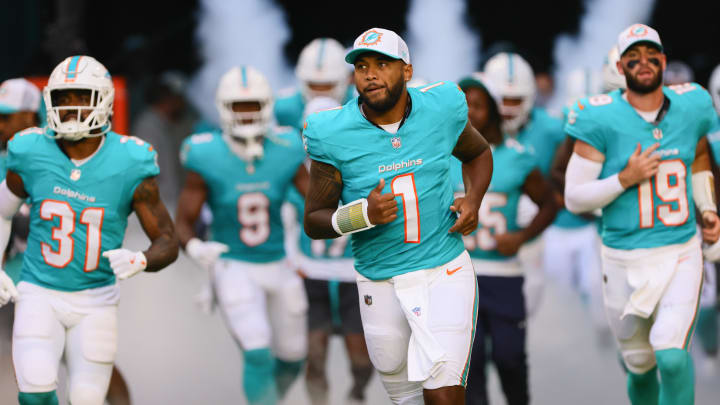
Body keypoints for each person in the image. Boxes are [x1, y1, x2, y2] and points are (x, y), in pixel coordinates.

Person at [302, 27, 493, 405]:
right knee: (406, 397)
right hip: (379, 276)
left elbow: (478, 152)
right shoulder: (331, 131)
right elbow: (314, 220)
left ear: (406, 71)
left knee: (443, 394)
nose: (370, 74)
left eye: (382, 64)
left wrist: (473, 199)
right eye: (361, 66)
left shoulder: (440, 107)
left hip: (444, 268)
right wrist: (362, 215)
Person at [0, 55, 178, 405]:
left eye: (81, 96)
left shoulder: (131, 160)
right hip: (38, 289)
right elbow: (2, 212)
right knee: (34, 393)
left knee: (87, 399)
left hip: (97, 299)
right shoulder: (31, 150)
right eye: (63, 98)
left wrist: (142, 260)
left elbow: (168, 240)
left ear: (105, 99)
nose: (71, 107)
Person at [564, 24, 720, 405]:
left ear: (664, 60)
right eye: (634, 56)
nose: (644, 62)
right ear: (620, 66)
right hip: (621, 257)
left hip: (678, 251)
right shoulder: (598, 117)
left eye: (652, 54)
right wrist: (624, 178)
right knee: (639, 365)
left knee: (670, 353)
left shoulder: (692, 104)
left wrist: (708, 208)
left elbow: (698, 156)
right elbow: (573, 198)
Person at [176, 65, 309, 405]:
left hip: (279, 262)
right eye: (239, 106)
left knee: (294, 356)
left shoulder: (287, 147)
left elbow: (316, 200)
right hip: (233, 264)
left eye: (253, 105)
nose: (247, 114)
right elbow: (183, 220)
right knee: (258, 350)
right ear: (224, 108)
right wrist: (193, 246)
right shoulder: (205, 153)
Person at [454, 73, 557, 405]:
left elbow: (550, 204)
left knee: (510, 357)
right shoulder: (443, 157)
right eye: (464, 105)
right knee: (472, 367)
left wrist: (522, 236)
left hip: (504, 275)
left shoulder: (517, 155)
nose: (470, 113)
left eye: (478, 105)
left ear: (495, 110)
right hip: (457, 275)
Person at [283, 96, 373, 405]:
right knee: (315, 355)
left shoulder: (362, 168)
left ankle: (356, 394)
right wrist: (292, 263)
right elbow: (288, 224)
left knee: (362, 359)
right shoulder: (296, 173)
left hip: (353, 274)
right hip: (312, 272)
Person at [483, 52, 565, 319]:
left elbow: (576, 170)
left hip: (534, 236)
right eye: (501, 100)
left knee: (523, 312)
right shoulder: (469, 129)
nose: (507, 108)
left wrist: (558, 194)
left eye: (515, 100)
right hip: (480, 241)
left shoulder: (553, 129)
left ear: (529, 98)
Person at [131, 71, 197, 209]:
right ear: (167, 97)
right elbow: (145, 171)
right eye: (177, 97)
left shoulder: (174, 122)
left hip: (172, 202)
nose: (181, 102)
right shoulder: (148, 124)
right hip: (156, 205)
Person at [274, 37, 353, 131]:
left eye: (327, 86)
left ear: (345, 80)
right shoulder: (284, 109)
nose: (320, 93)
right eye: (313, 85)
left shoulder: (360, 104)